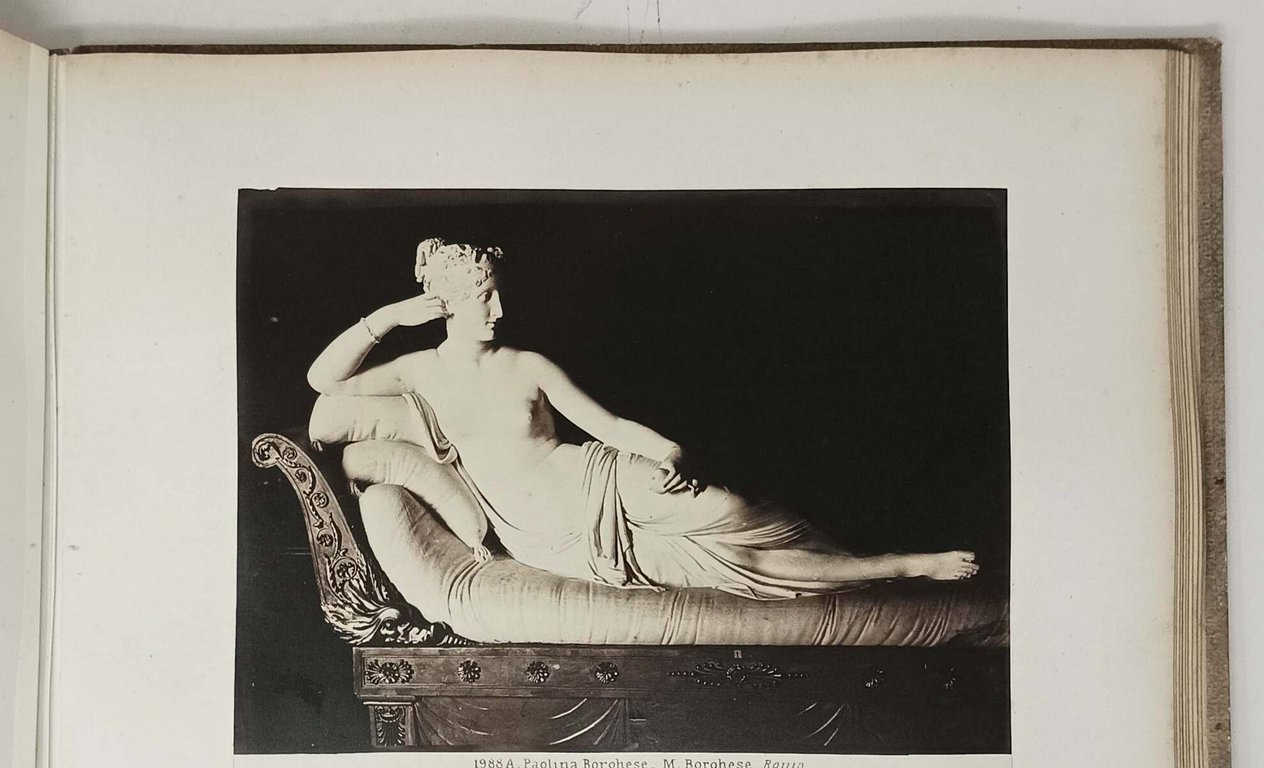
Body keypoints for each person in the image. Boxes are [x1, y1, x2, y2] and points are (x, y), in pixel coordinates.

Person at [306, 238, 979, 600]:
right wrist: (386, 318)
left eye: (498, 296)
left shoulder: (528, 363)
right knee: (731, 565)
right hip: (543, 530)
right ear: (445, 305)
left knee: (737, 512)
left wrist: (667, 450)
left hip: (596, 478)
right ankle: (901, 567)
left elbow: (607, 426)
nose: (499, 312)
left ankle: (872, 562)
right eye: (484, 299)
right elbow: (324, 382)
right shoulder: (417, 370)